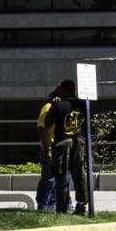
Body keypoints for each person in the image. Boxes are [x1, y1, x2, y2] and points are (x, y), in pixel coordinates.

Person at [44, 79, 87, 215]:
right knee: (79, 175)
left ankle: (62, 209)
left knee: (62, 176)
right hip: (78, 142)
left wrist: (53, 105)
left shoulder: (59, 106)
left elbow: (47, 123)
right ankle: (81, 206)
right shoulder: (83, 105)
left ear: (62, 90)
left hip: (63, 143)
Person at [34, 83, 62, 212]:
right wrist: (48, 150)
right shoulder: (48, 107)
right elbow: (41, 128)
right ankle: (43, 206)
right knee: (49, 179)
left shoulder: (61, 107)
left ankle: (52, 205)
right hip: (50, 149)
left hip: (60, 149)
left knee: (58, 179)